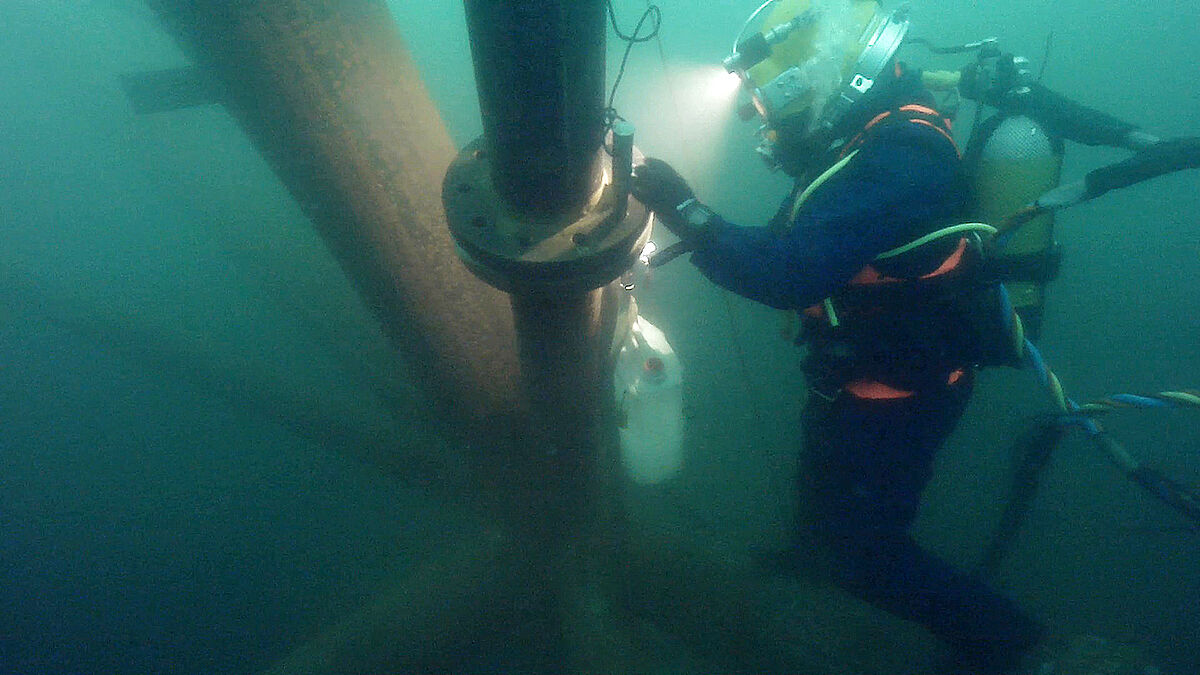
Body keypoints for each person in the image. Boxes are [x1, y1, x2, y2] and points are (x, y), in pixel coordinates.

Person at [631, 1, 1045, 671]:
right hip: (859, 373)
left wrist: (685, 211)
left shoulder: (903, 156)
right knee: (821, 495)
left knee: (868, 554)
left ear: (821, 83)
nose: (771, 126)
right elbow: (789, 242)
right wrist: (697, 225)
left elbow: (787, 274)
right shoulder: (867, 142)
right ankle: (809, 568)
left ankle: (1019, 645)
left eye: (775, 108)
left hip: (904, 388)